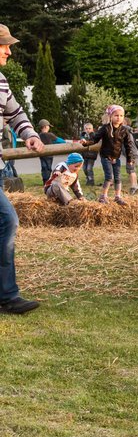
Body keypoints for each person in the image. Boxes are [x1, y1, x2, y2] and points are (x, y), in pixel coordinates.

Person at [0, 23, 44, 314]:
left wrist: (30, 133)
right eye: (5, 45)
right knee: (8, 221)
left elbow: (16, 113)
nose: (10, 50)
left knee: (7, 222)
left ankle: (7, 295)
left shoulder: (1, 81)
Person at [82, 105, 136, 204]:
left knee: (117, 177)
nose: (119, 117)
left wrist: (130, 159)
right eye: (116, 115)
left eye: (121, 115)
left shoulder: (124, 130)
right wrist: (86, 143)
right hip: (106, 157)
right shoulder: (105, 128)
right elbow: (95, 139)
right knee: (109, 177)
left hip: (116, 158)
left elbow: (128, 146)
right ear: (111, 116)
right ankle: (103, 196)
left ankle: (117, 196)